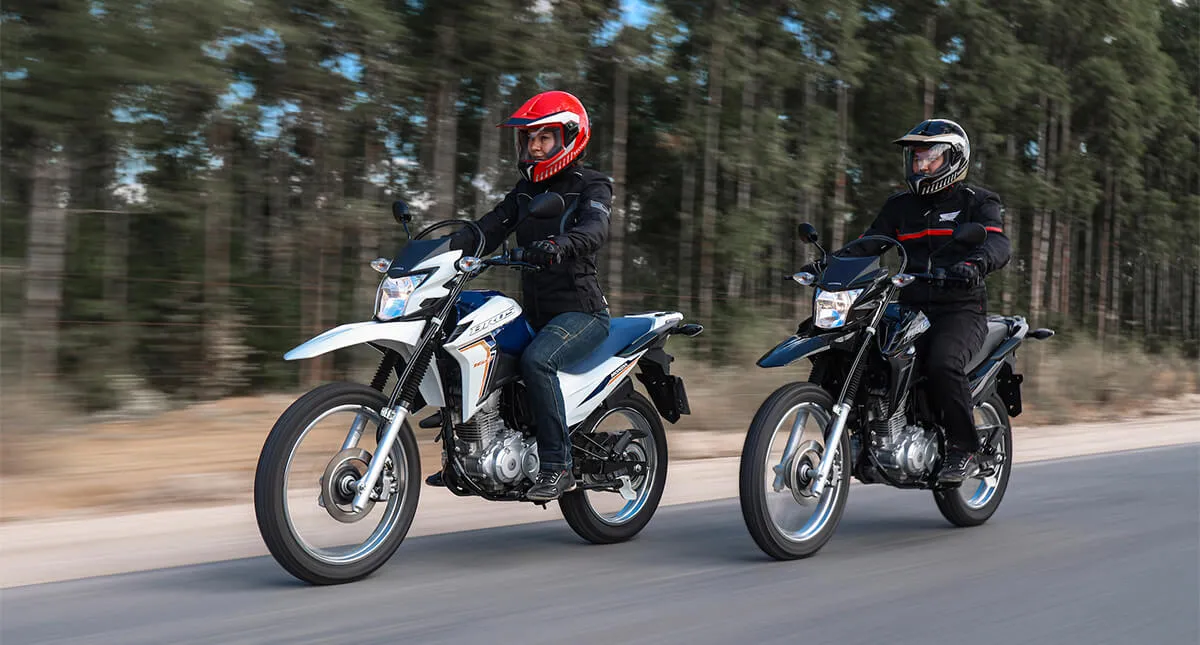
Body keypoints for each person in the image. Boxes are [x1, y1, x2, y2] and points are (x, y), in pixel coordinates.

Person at [428, 89, 613, 502]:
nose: (533, 146)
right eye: (529, 138)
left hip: (580, 313)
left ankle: (556, 466)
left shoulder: (592, 185)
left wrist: (561, 245)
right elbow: (487, 229)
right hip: (535, 313)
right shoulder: (524, 192)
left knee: (537, 360)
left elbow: (596, 229)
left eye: (543, 137)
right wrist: (437, 254)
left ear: (567, 137)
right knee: (462, 342)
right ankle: (463, 454)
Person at [811, 118, 1011, 484]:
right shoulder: (899, 207)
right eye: (916, 158)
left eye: (929, 158)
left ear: (953, 159)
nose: (920, 166)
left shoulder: (977, 202)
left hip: (960, 307)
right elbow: (869, 244)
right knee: (856, 348)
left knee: (942, 363)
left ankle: (963, 448)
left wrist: (976, 263)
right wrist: (828, 263)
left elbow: (998, 243)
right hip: (909, 304)